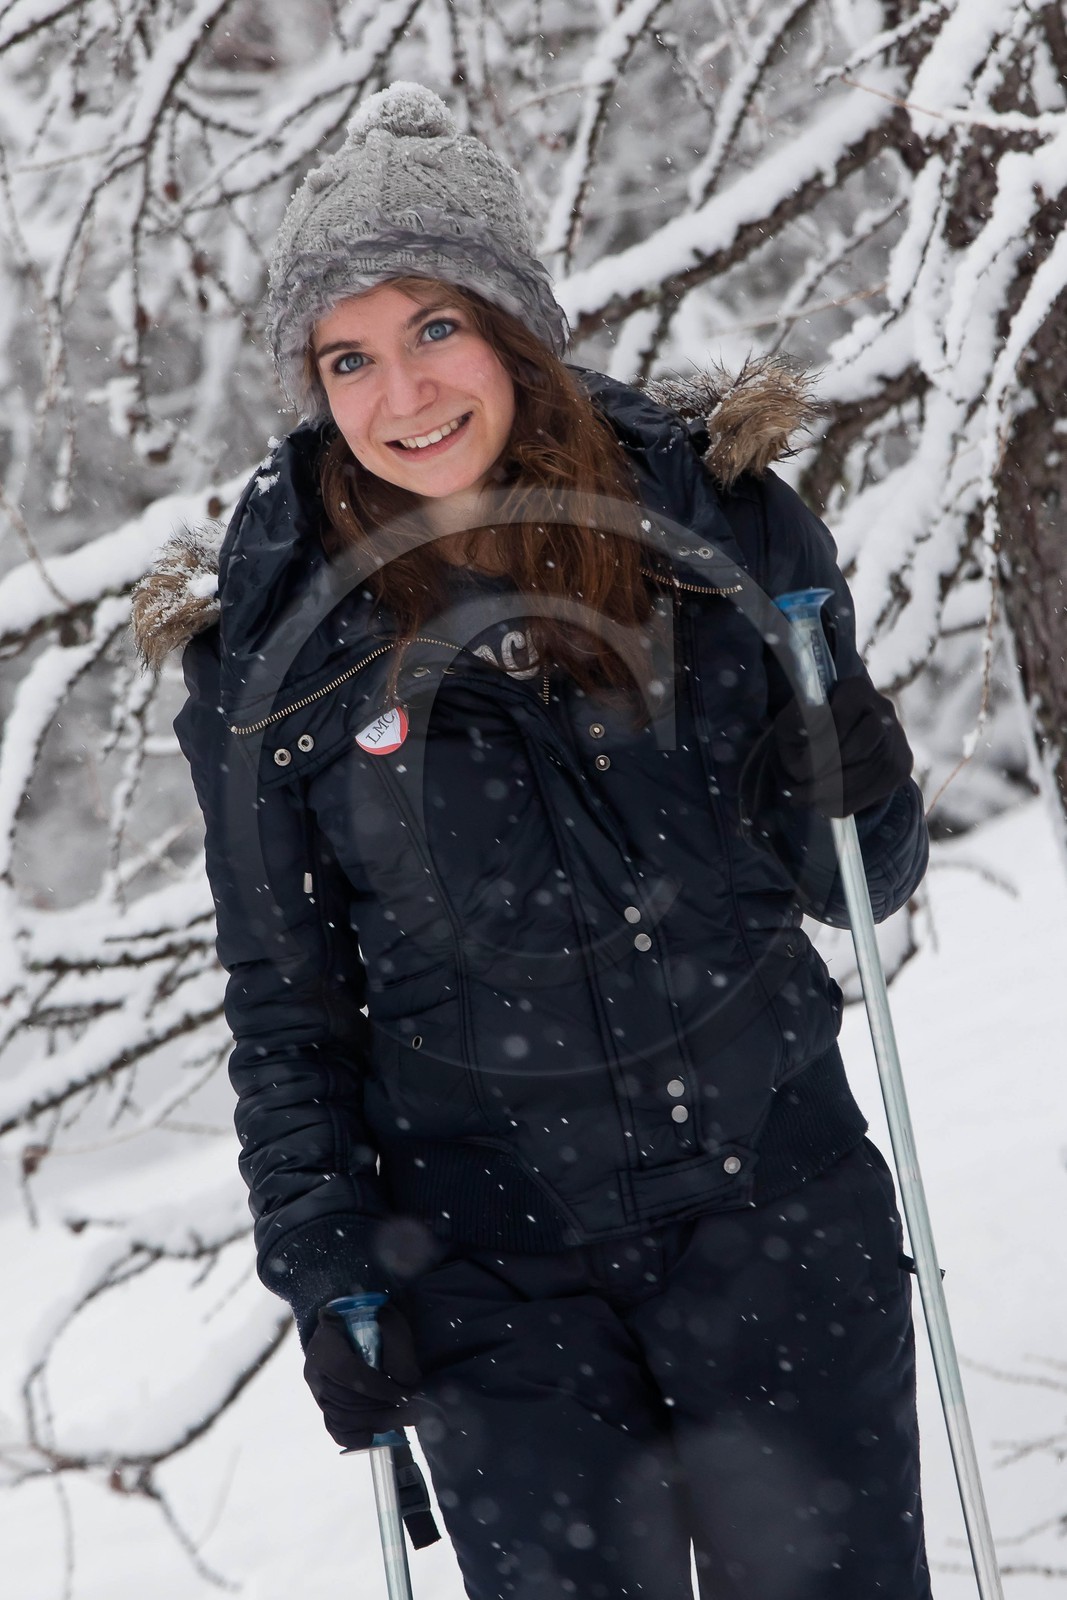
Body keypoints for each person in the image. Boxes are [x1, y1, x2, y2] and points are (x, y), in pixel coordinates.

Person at [133, 81, 932, 1600]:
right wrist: (325, 1259)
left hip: (775, 1210)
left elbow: (860, 885)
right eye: (347, 356)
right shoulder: (268, 654)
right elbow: (287, 1003)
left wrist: (863, 785)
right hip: (495, 1283)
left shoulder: (721, 529)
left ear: (514, 326)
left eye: (434, 327)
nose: (400, 392)